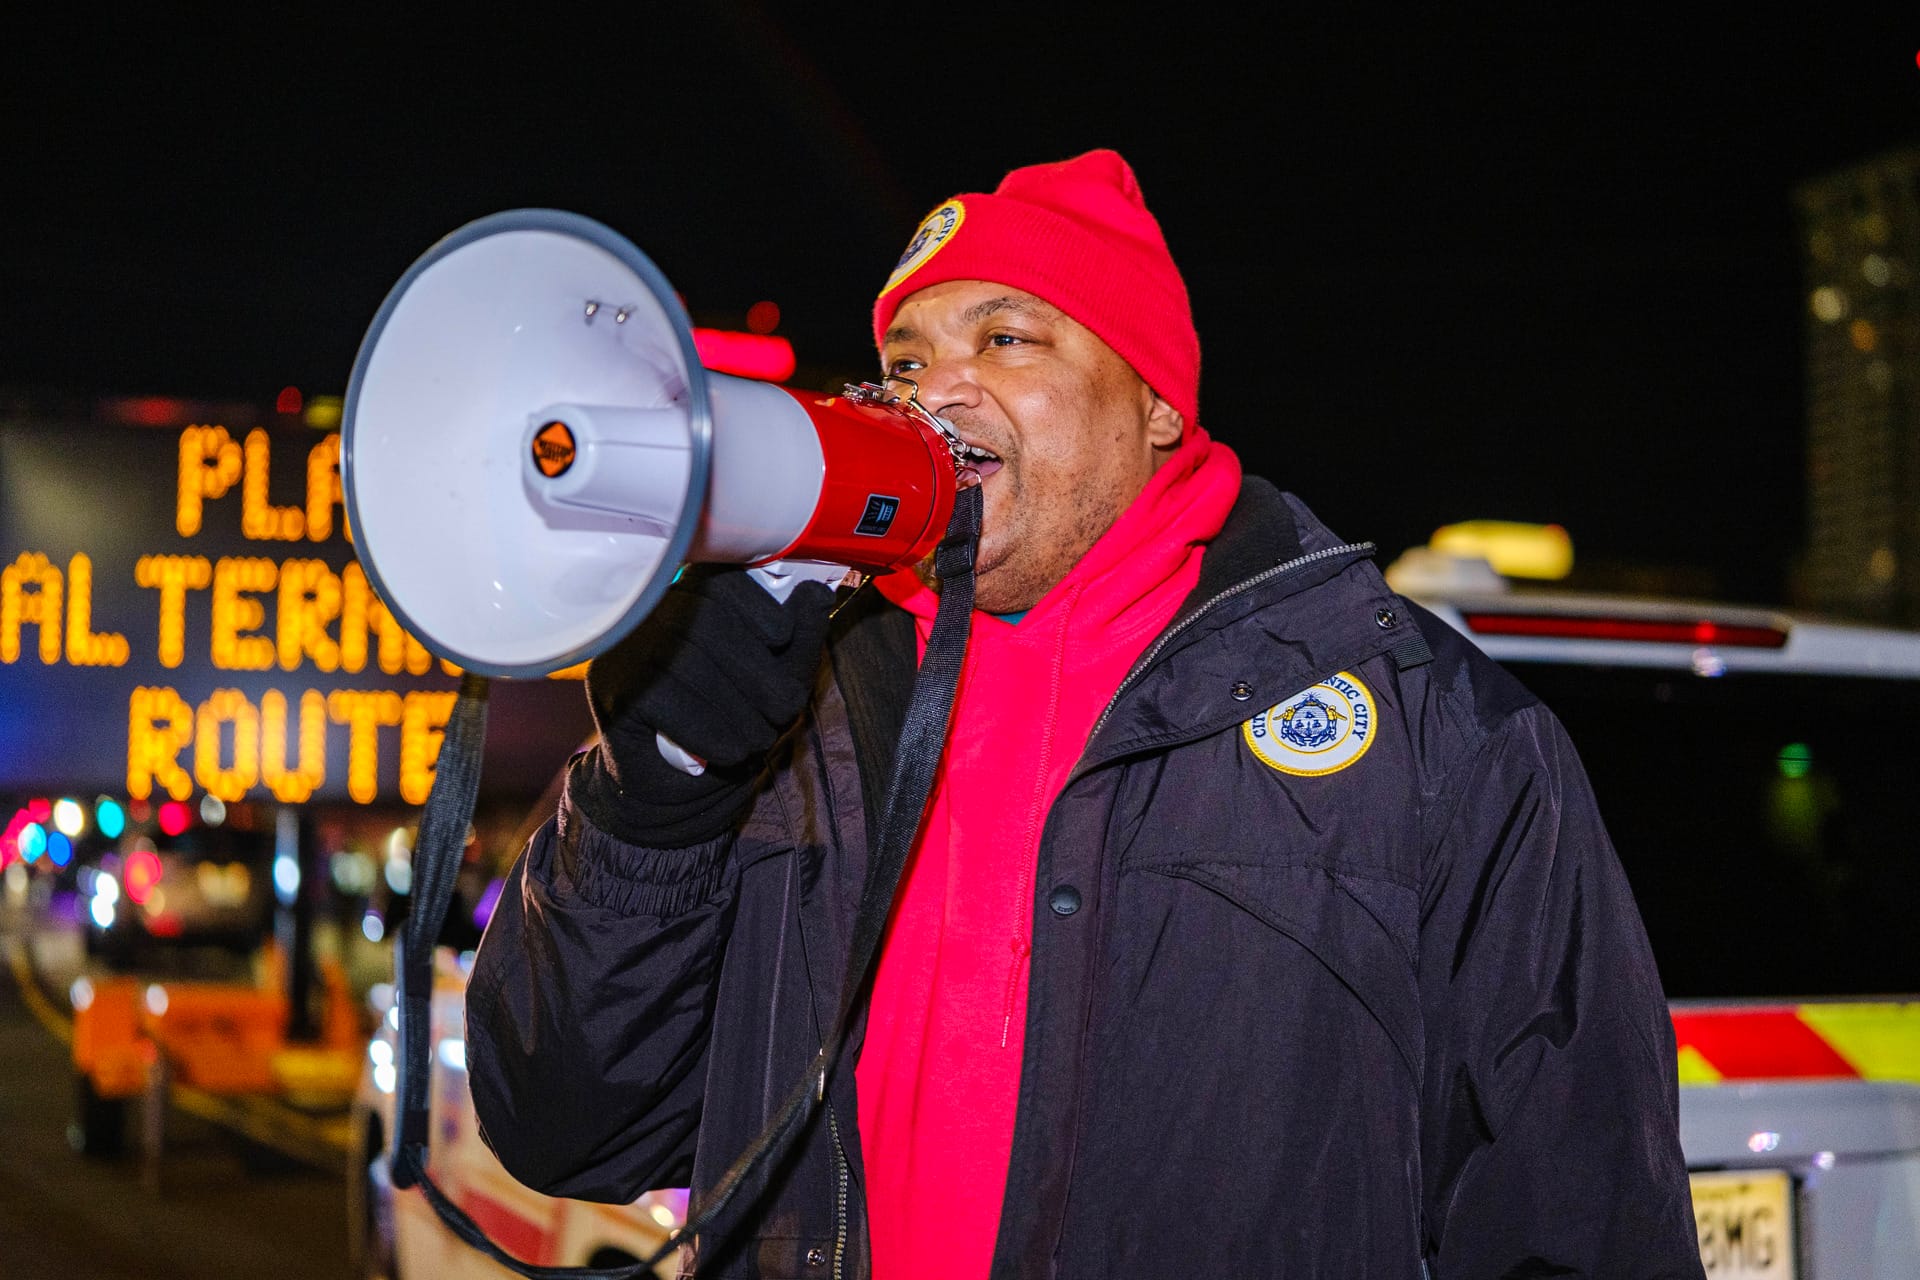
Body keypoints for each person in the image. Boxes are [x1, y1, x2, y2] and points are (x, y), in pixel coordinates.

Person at [465, 150, 1704, 1278]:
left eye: (1007, 339)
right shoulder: (798, 708)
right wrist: (655, 796)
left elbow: (1579, 1217)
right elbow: (570, 1125)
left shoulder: (1431, 730)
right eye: (908, 360)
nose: (935, 395)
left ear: (1157, 404)